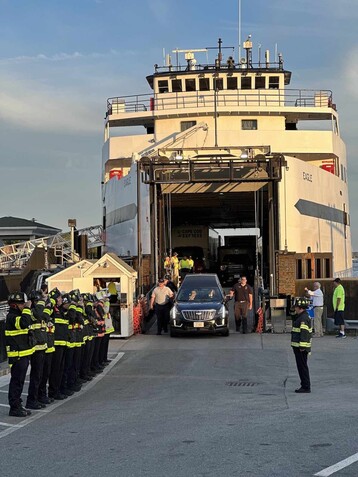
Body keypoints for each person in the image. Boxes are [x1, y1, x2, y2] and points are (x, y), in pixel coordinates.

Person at [5, 292, 34, 417]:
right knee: (16, 382)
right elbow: (23, 323)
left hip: (22, 354)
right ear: (15, 305)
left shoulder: (19, 315)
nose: (24, 305)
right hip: (17, 355)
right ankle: (14, 407)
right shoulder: (12, 317)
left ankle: (18, 404)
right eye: (22, 303)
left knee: (20, 382)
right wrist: (27, 308)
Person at [291, 297, 312, 393]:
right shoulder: (302, 316)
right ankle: (304, 385)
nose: (294, 308)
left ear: (300, 307)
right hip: (299, 347)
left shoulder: (303, 318)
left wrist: (302, 347)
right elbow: (294, 318)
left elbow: (304, 333)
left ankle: (305, 386)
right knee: (301, 366)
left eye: (295, 307)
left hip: (301, 348)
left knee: (302, 367)